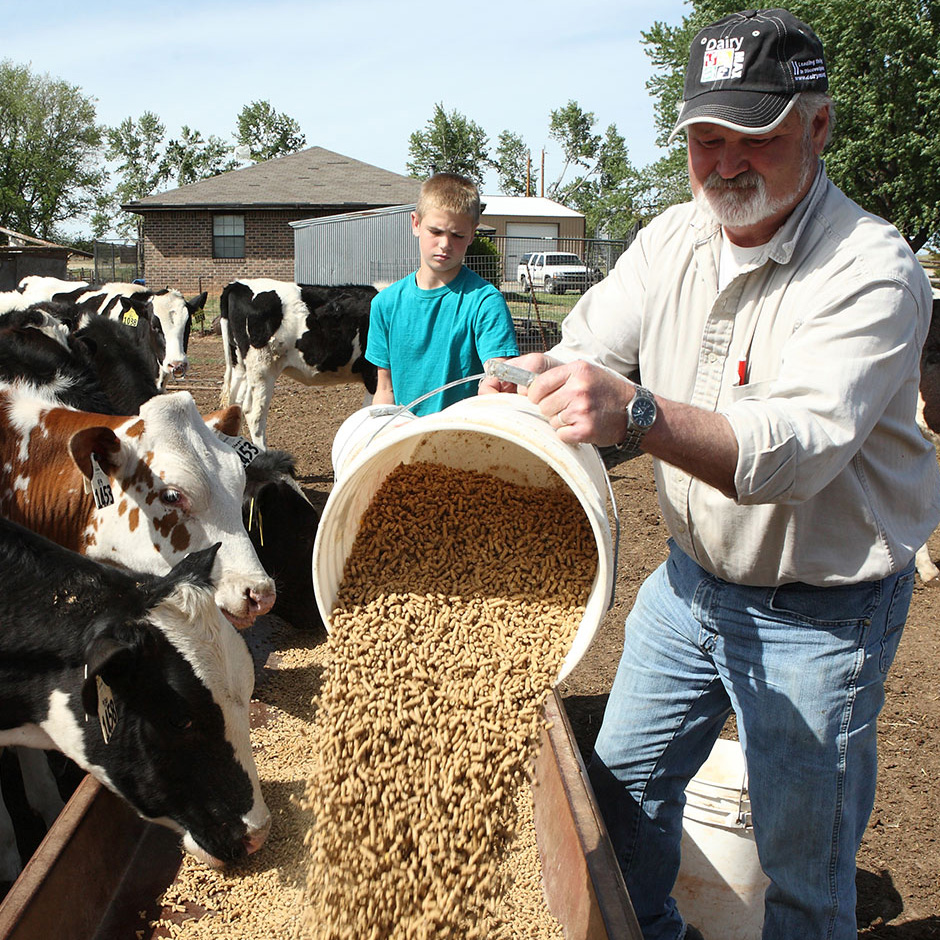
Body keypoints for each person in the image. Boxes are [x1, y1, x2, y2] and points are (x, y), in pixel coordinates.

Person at [480, 9, 940, 940]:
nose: (725, 163)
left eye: (755, 138)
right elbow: (586, 345)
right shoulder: (672, 239)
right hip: (689, 587)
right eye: (703, 139)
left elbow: (797, 449)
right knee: (619, 795)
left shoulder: (870, 267)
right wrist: (515, 387)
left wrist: (638, 413)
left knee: (802, 868)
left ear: (816, 126)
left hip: (822, 611)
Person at [366, 172, 518, 416]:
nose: (445, 244)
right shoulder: (385, 304)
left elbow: (499, 375)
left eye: (457, 235)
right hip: (407, 438)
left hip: (466, 436)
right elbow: (385, 389)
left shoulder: (485, 302)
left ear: (472, 234)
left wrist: (502, 379)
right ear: (416, 224)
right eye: (436, 232)